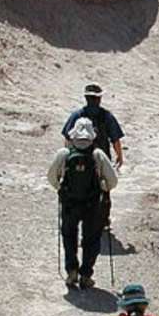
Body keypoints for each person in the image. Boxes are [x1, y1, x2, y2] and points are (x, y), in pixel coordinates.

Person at [48, 118, 118, 288]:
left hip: (70, 203)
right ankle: (86, 275)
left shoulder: (64, 154)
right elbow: (113, 181)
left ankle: (71, 270)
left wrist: (60, 188)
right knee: (91, 239)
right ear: (92, 136)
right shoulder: (98, 155)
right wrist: (103, 187)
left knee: (69, 236)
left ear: (73, 135)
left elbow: (51, 177)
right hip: (92, 205)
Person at [61, 83, 125, 169]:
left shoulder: (76, 115)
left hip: (78, 162)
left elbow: (67, 139)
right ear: (99, 99)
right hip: (102, 161)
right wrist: (119, 156)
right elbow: (115, 140)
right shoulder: (107, 116)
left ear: (86, 98)